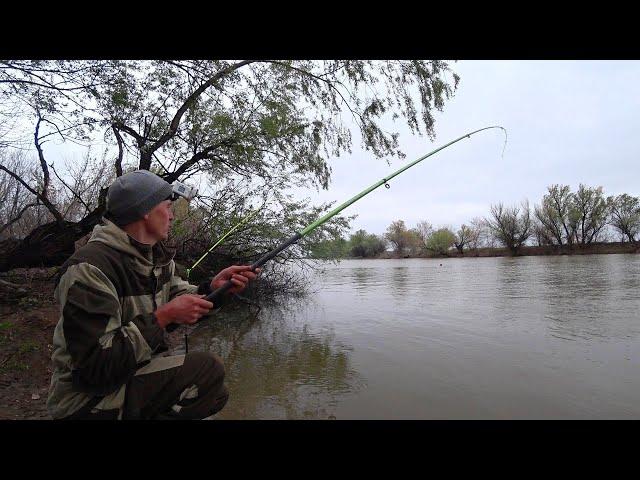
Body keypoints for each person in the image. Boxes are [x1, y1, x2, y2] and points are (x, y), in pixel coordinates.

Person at [47, 170, 259, 420]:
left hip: (129, 374)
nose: (171, 216)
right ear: (145, 211)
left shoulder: (155, 257)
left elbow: (183, 299)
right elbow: (95, 366)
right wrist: (162, 317)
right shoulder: (90, 268)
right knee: (206, 370)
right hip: (87, 398)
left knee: (215, 394)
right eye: (168, 207)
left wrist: (216, 290)